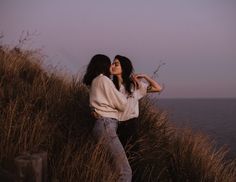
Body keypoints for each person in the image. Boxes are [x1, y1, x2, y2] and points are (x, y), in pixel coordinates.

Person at [83, 54, 132, 182]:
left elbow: (94, 104)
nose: (111, 66)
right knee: (125, 172)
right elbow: (123, 104)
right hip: (106, 124)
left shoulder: (95, 81)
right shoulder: (104, 80)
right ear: (104, 65)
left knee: (111, 171)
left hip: (101, 125)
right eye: (110, 63)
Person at [110, 55, 162, 148]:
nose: (112, 66)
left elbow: (158, 88)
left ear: (124, 67)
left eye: (116, 64)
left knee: (132, 155)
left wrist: (145, 76)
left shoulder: (134, 86)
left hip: (130, 126)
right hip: (115, 126)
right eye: (112, 63)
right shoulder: (110, 86)